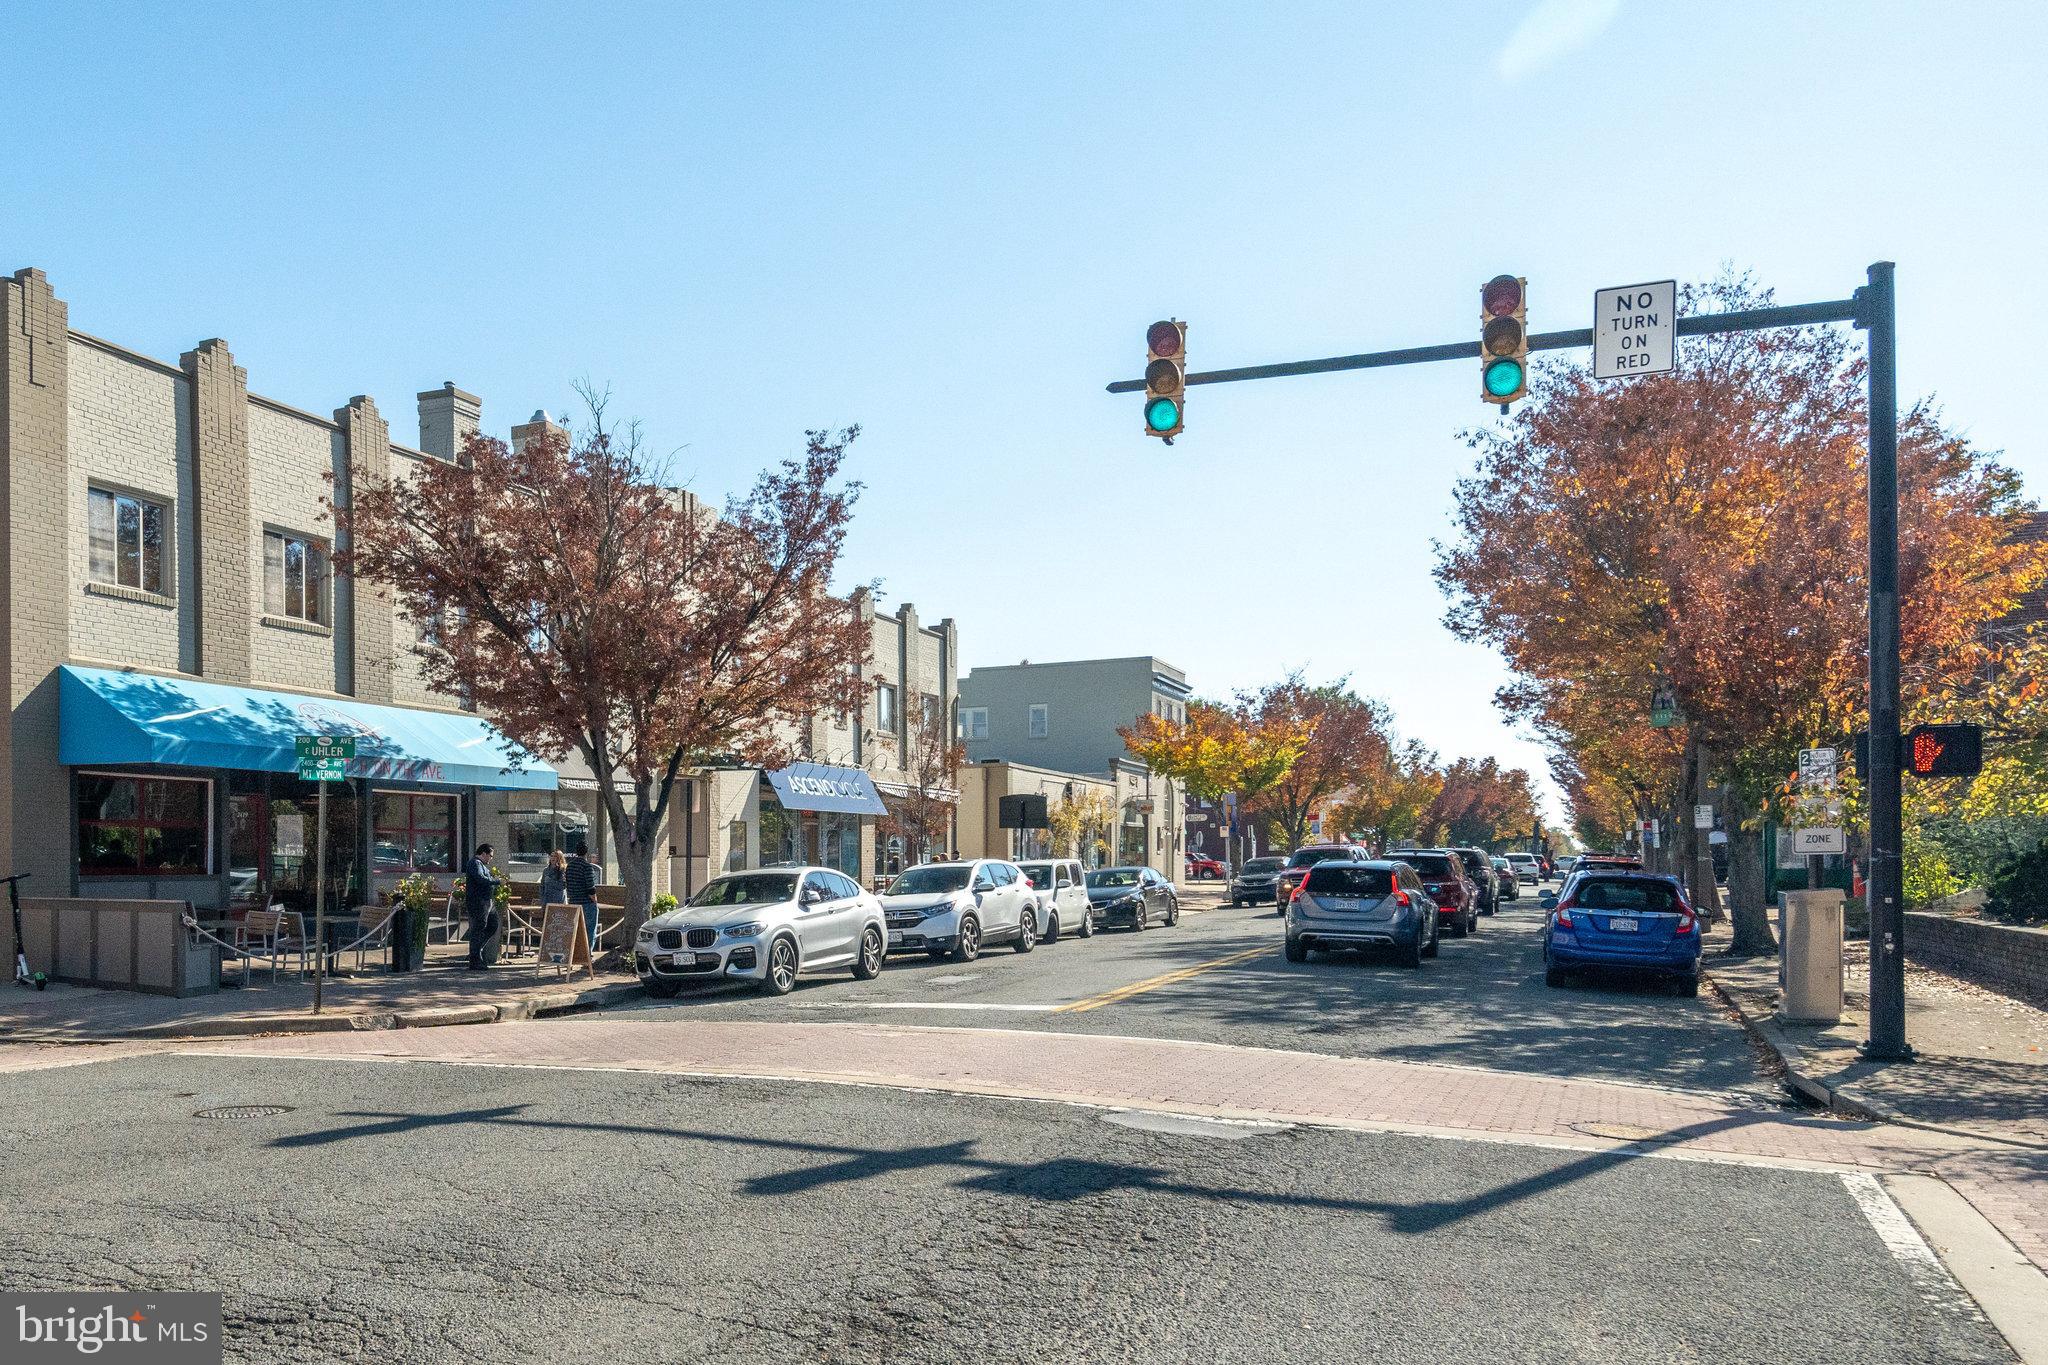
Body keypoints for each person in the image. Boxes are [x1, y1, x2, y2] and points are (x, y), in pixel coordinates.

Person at [464, 843, 500, 970]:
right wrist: (497, 881)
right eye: (490, 855)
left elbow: (486, 878)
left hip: (488, 901)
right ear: (483, 853)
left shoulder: (482, 865)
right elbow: (480, 879)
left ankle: (477, 951)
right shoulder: (475, 863)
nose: (491, 858)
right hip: (479, 902)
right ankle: (475, 959)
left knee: (493, 925)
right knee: (478, 929)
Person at [565, 840, 600, 952]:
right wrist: (594, 900)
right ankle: (586, 952)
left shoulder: (569, 866)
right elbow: (591, 887)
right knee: (589, 929)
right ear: (586, 853)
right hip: (586, 903)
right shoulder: (587, 867)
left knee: (575, 929)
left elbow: (567, 884)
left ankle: (573, 951)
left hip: (573, 901)